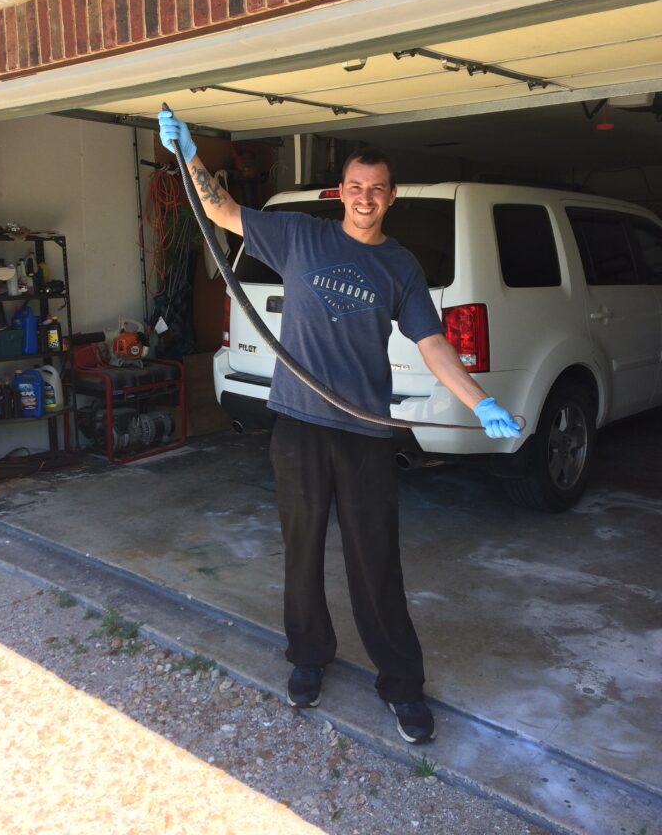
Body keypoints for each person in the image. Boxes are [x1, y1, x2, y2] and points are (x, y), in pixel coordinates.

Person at [158, 109, 520, 745]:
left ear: (391, 196)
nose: (365, 198)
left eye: (377, 188)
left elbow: (432, 341)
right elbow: (221, 213)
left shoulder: (401, 267)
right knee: (301, 552)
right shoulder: (300, 235)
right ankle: (307, 657)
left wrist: (477, 398)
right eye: (356, 187)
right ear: (342, 193)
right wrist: (189, 156)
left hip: (364, 432)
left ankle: (402, 686)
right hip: (298, 424)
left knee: (375, 561)